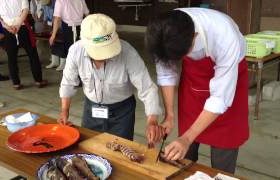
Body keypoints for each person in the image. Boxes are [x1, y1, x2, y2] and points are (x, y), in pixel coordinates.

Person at [145, 8, 249, 174]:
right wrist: (169, 115)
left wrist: (186, 138)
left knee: (223, 155)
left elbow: (220, 98)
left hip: (228, 84)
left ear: (194, 37)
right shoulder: (163, 32)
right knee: (185, 155)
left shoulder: (224, 35)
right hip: (194, 84)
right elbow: (166, 74)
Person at [58, 14, 164, 142]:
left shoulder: (127, 53)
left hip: (122, 113)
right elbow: (68, 82)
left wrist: (152, 121)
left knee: (121, 149)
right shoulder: (76, 51)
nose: (104, 56)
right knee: (89, 146)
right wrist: (64, 110)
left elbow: (147, 88)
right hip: (91, 109)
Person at [0, 0, 47, 90]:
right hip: (22, 27)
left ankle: (16, 83)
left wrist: (7, 26)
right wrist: (18, 25)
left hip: (8, 29)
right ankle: (38, 81)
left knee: (11, 57)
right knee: (32, 55)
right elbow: (25, 9)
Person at [49, 0, 89, 71]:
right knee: (81, 52)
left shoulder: (60, 1)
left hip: (69, 29)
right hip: (81, 28)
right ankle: (81, 74)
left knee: (72, 54)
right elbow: (87, 14)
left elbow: (57, 19)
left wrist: (53, 35)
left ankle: (75, 75)